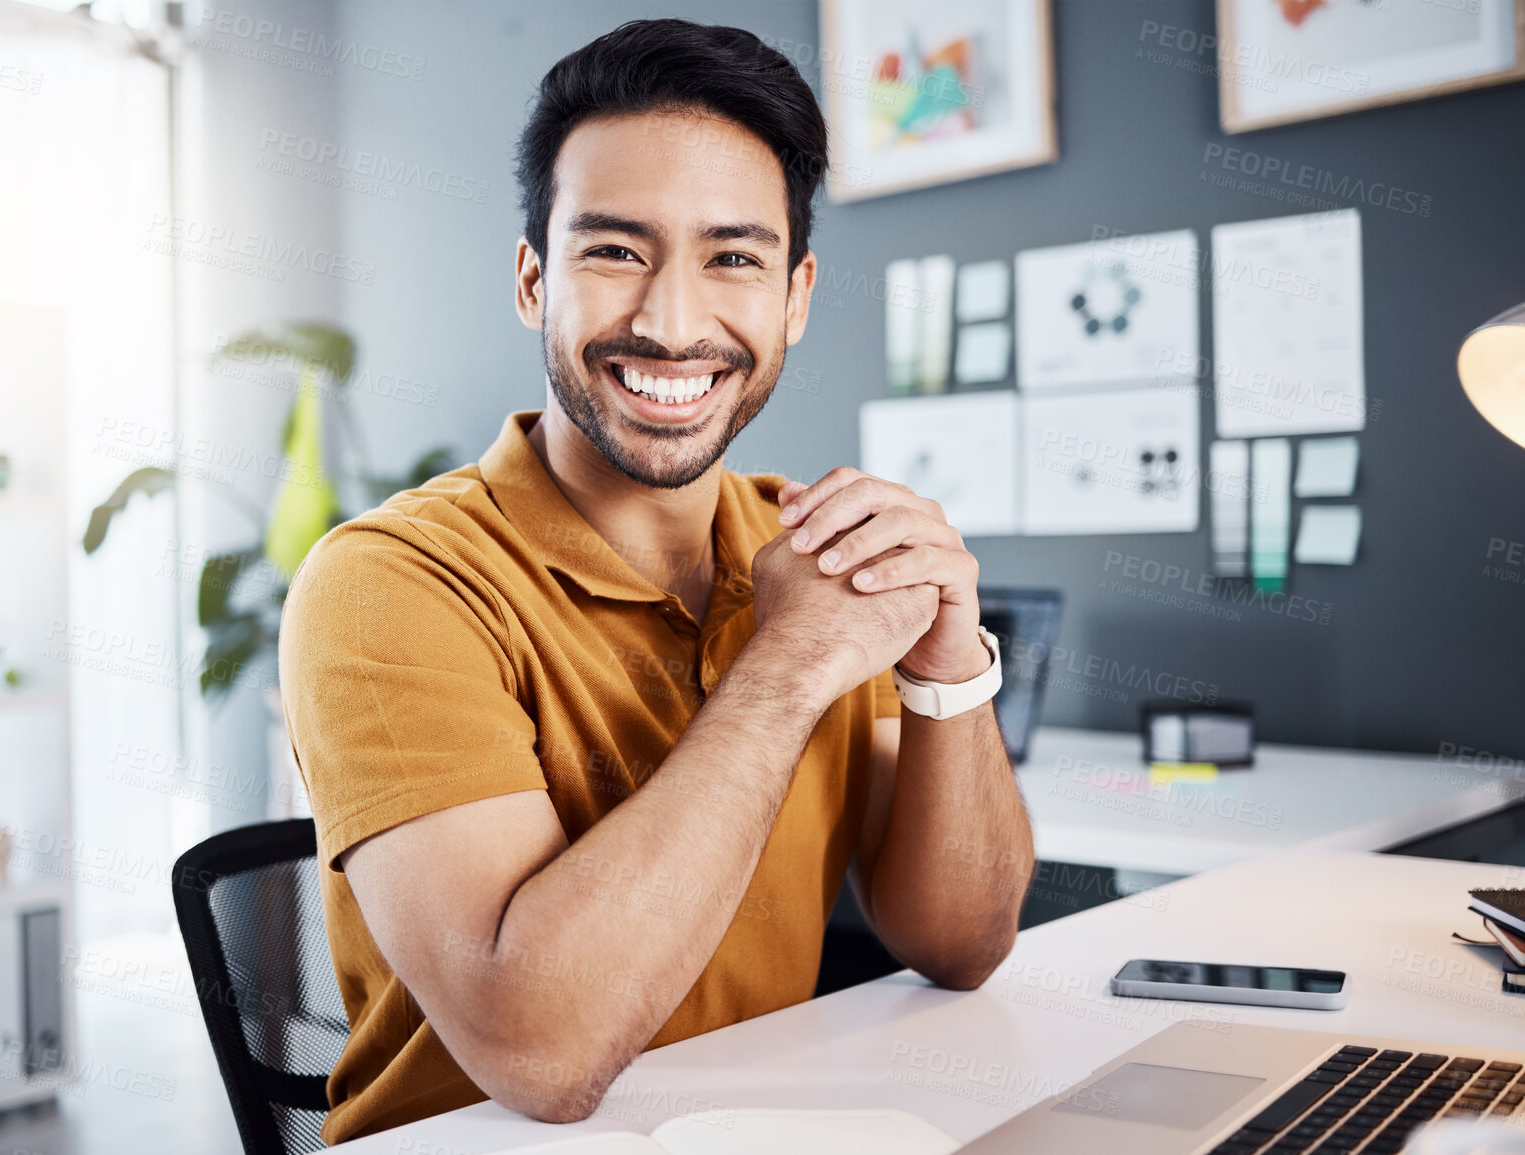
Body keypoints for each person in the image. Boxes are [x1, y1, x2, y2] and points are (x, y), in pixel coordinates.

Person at [277, 17, 1034, 1143]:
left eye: (734, 257)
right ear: (535, 280)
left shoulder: (807, 547)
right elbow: (541, 1055)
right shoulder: (391, 583)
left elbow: (961, 942)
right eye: (615, 250)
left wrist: (948, 668)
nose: (674, 324)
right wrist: (784, 669)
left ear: (797, 296)